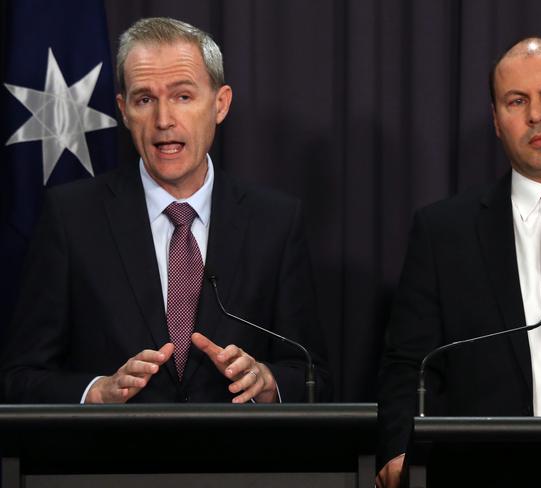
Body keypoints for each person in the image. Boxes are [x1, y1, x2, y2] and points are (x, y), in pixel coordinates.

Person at [0, 17, 330, 404]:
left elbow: (313, 375)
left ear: (220, 104)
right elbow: (19, 378)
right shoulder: (71, 218)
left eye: (183, 96)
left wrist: (269, 382)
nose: (163, 120)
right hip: (112, 460)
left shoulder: (275, 222)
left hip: (237, 460)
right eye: (144, 99)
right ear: (123, 111)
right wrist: (97, 393)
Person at [376, 36, 541, 487]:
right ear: (496, 121)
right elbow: (411, 366)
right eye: (516, 101)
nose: (536, 115)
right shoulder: (445, 232)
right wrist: (399, 449)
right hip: (489, 471)